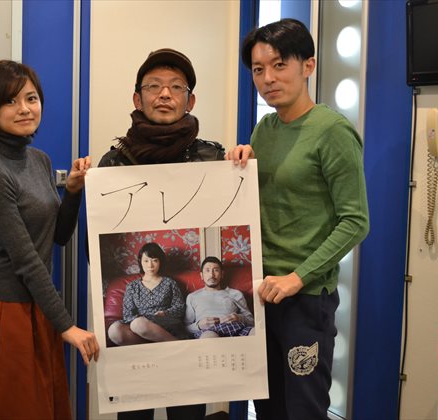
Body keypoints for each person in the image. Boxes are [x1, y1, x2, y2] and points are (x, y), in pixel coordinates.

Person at [227, 19, 370, 420]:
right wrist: (240, 163)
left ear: (308, 65)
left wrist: (297, 277)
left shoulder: (332, 131)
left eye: (279, 65)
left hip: (304, 298)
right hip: (260, 293)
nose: (268, 79)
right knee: (267, 407)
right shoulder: (265, 129)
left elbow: (355, 221)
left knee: (304, 409)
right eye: (258, 69)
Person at [0, 60, 99, 420]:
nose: (24, 109)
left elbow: (58, 237)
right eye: (10, 101)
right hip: (6, 311)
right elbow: (25, 258)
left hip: (38, 306)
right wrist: (67, 325)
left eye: (31, 98)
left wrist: (73, 192)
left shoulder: (38, 159)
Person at [98, 48, 225, 420]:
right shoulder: (113, 163)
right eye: (154, 86)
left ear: (190, 100)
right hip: (137, 356)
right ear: (137, 99)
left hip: (177, 348)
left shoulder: (213, 160)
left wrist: (242, 167)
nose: (165, 94)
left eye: (176, 87)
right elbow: (95, 251)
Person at [108, 242, 187, 345]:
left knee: (138, 324)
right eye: (146, 261)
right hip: (139, 328)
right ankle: (152, 344)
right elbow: (128, 315)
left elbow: (180, 307)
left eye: (155, 260)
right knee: (114, 330)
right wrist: (143, 319)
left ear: (160, 262)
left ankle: (175, 344)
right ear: (140, 262)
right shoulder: (132, 286)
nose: (150, 265)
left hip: (165, 324)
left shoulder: (169, 283)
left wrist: (164, 313)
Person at [185, 256, 254, 338]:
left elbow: (252, 321)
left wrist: (239, 317)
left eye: (216, 270)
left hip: (237, 328)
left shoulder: (235, 294)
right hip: (208, 331)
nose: (211, 275)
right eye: (207, 270)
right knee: (209, 336)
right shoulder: (193, 297)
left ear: (222, 274)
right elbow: (185, 328)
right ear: (201, 275)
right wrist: (199, 325)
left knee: (256, 332)